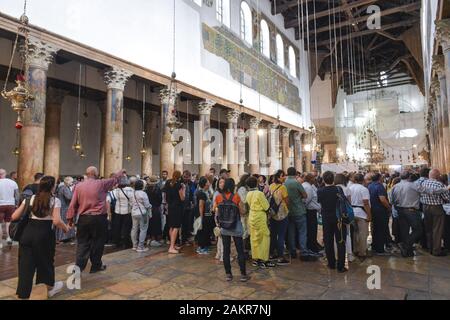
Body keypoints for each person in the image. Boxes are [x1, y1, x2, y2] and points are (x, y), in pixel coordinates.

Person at [12, 176, 70, 299]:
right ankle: (50, 288)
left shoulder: (30, 198)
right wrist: (66, 228)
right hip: (44, 235)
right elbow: (56, 221)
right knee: (46, 262)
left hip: (27, 234)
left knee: (25, 265)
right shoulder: (55, 200)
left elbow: (14, 216)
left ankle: (23, 294)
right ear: (52, 186)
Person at [67, 167, 125, 273]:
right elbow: (115, 179)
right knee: (98, 243)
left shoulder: (78, 186)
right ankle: (96, 266)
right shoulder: (101, 183)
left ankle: (78, 267)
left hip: (84, 219)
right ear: (95, 173)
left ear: (87, 174)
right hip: (98, 218)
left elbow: (73, 203)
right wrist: (121, 171)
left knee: (82, 243)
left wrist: (70, 218)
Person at [214, 178, 249, 282]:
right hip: (236, 226)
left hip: (224, 227)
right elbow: (242, 211)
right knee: (240, 251)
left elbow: (215, 210)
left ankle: (228, 274)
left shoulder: (218, 197)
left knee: (226, 251)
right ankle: (243, 274)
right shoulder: (236, 197)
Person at [284, 167, 318, 260]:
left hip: (289, 211)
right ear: (295, 173)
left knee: (291, 232)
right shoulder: (296, 183)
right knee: (302, 232)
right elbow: (305, 195)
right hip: (299, 210)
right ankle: (303, 251)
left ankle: (293, 250)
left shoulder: (285, 183)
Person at [318, 171, 348, 273]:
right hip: (338, 218)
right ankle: (341, 266)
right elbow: (343, 201)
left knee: (328, 241)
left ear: (323, 180)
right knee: (340, 241)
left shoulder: (320, 191)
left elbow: (320, 202)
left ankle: (331, 263)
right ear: (333, 179)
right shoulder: (338, 189)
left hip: (326, 218)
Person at [391, 171, 423, 257]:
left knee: (404, 231)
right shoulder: (414, 185)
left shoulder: (395, 186)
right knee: (418, 230)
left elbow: (392, 201)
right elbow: (426, 191)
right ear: (409, 177)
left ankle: (407, 251)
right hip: (411, 210)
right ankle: (405, 245)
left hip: (400, 210)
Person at [420, 169, 450, 256]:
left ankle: (430, 248)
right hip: (436, 208)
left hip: (425, 207)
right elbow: (447, 197)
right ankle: (436, 250)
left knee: (429, 229)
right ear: (437, 175)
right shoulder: (439, 184)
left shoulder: (423, 183)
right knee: (437, 230)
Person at [246, 176, 274, 268]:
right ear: (257, 183)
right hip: (260, 216)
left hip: (252, 216)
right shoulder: (259, 193)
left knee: (254, 238)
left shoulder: (248, 193)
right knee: (264, 238)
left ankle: (256, 259)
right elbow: (266, 207)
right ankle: (264, 260)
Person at [269, 170, 290, 265]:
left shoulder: (271, 186)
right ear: (278, 177)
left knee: (273, 234)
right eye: (283, 176)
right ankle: (281, 257)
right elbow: (287, 201)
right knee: (281, 235)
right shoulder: (283, 187)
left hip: (273, 213)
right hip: (282, 214)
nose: (284, 177)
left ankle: (271, 253)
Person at [162, 170, 186, 254]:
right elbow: (182, 198)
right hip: (177, 207)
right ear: (179, 176)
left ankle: (172, 244)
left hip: (170, 207)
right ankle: (171, 247)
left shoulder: (168, 182)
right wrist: (183, 190)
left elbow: (164, 194)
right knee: (176, 227)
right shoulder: (179, 185)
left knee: (171, 226)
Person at [368, 173, 392, 255]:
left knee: (375, 229)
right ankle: (380, 249)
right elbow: (382, 199)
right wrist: (389, 207)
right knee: (381, 229)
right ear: (379, 178)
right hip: (380, 211)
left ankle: (375, 246)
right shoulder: (379, 186)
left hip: (373, 210)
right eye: (382, 177)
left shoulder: (370, 185)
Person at [349, 173, 371, 260]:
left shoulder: (350, 188)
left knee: (354, 232)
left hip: (352, 212)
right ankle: (362, 252)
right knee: (363, 233)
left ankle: (355, 249)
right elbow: (365, 203)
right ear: (363, 180)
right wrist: (369, 215)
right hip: (361, 213)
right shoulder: (363, 189)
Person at [109, 177, 133, 249]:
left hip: (117, 211)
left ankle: (117, 242)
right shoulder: (131, 190)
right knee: (126, 228)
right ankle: (126, 243)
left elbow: (109, 198)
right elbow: (132, 200)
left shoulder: (115, 191)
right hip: (127, 211)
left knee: (117, 227)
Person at [335, 173, 354, 262]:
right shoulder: (347, 189)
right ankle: (349, 255)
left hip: (335, 215)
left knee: (336, 235)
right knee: (347, 234)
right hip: (345, 215)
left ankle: (337, 255)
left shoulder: (333, 189)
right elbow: (349, 203)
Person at [302, 173, 323, 254]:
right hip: (310, 211)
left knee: (312, 230)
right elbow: (307, 200)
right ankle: (312, 247)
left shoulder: (309, 186)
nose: (315, 179)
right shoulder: (308, 187)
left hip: (311, 211)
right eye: (314, 178)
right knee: (312, 230)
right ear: (310, 179)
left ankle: (313, 245)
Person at [130, 179, 151, 253]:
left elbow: (131, 204)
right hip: (142, 213)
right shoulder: (143, 193)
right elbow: (147, 205)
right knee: (143, 229)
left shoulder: (132, 193)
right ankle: (140, 247)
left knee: (134, 229)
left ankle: (134, 245)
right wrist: (150, 206)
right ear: (142, 186)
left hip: (134, 213)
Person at [0, 168, 19, 247]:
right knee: (8, 223)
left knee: (0, 224)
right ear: (5, 173)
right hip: (11, 205)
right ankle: (8, 237)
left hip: (0, 205)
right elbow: (17, 195)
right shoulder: (13, 182)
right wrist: (17, 204)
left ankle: (0, 243)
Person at [195, 177, 213, 255]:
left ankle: (202, 247)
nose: (209, 183)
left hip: (207, 214)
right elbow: (200, 205)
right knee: (203, 231)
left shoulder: (205, 192)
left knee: (204, 231)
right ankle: (202, 248)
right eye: (208, 182)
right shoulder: (201, 193)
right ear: (205, 184)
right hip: (204, 215)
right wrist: (201, 217)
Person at [56, 176, 75, 243]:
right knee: (64, 222)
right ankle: (62, 237)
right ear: (68, 182)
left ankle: (62, 237)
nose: (72, 183)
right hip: (64, 208)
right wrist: (73, 192)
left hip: (63, 207)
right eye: (72, 182)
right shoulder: (64, 188)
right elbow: (69, 197)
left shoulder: (61, 187)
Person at [145, 176, 163, 247]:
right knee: (156, 223)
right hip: (155, 208)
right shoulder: (158, 189)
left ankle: (149, 238)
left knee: (149, 223)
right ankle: (154, 238)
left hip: (148, 208)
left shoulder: (146, 189)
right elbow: (160, 200)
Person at [212, 178, 226, 260]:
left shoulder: (224, 193)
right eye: (220, 182)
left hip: (223, 216)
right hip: (219, 216)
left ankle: (219, 253)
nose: (222, 184)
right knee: (221, 235)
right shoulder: (217, 193)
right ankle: (222, 255)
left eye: (223, 182)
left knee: (221, 236)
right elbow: (214, 207)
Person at [181, 170, 194, 246]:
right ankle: (183, 240)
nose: (186, 178)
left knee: (187, 224)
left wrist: (191, 202)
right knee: (182, 224)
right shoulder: (181, 184)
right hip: (182, 207)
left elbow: (190, 194)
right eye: (185, 177)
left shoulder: (190, 184)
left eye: (188, 177)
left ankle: (185, 238)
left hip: (188, 207)